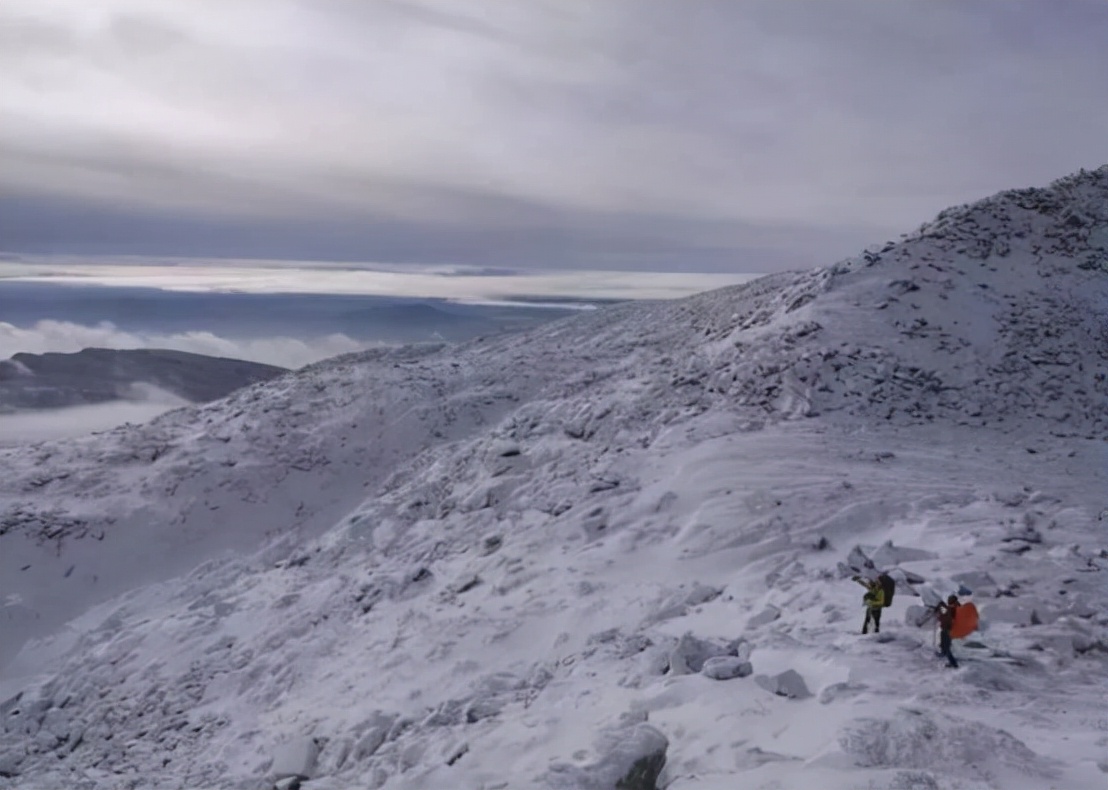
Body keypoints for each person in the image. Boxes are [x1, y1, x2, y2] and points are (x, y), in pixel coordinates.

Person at [935, 595, 960, 668]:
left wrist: (940, 605)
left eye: (950, 599)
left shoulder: (953, 608)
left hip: (948, 630)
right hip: (947, 629)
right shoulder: (954, 608)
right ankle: (943, 653)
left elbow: (945, 613)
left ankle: (954, 663)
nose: (948, 600)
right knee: (943, 643)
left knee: (946, 647)